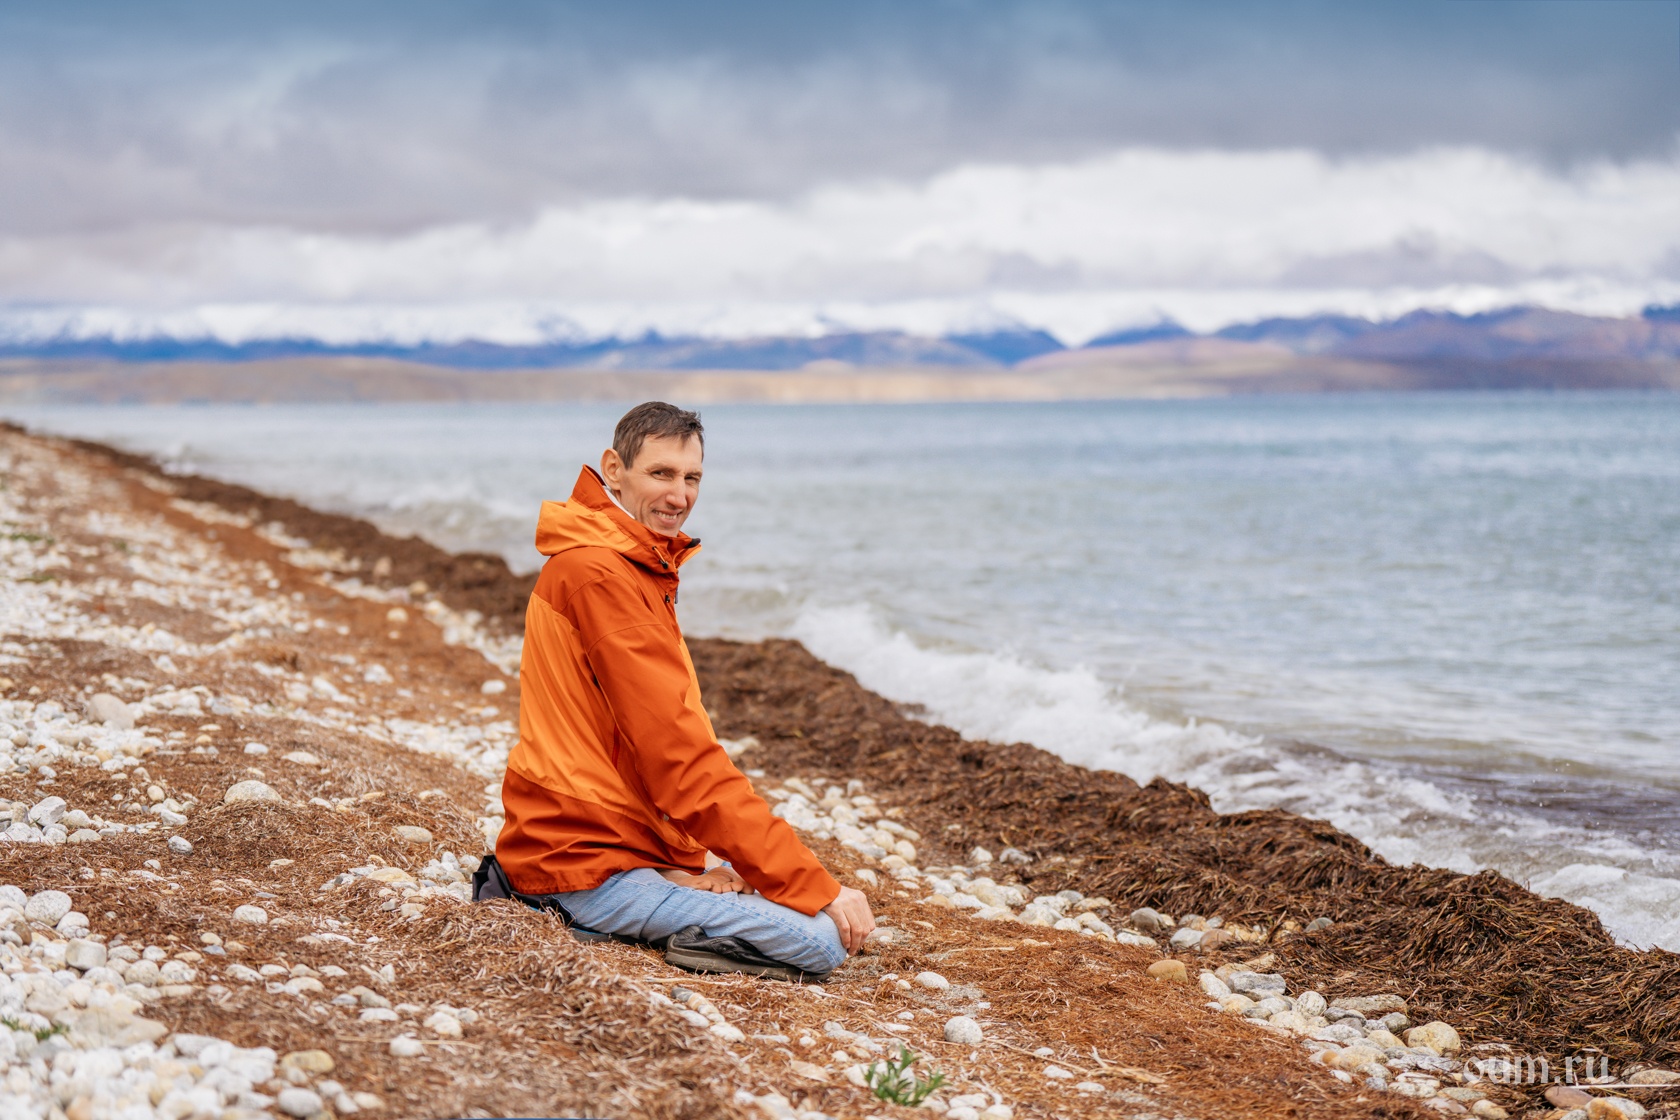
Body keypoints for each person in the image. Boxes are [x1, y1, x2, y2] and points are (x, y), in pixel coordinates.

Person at [491, 401, 873, 979]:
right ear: (614, 469)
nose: (679, 496)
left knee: (753, 876)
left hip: (608, 840)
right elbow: (680, 759)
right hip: (577, 864)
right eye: (661, 473)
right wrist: (817, 887)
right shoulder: (601, 575)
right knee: (819, 940)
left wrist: (687, 866)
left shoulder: (629, 564)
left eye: (692, 477)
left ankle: (663, 883)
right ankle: (593, 916)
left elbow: (640, 747)